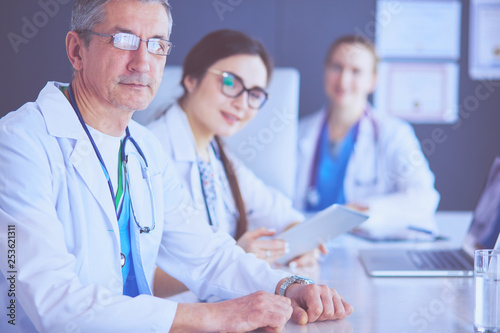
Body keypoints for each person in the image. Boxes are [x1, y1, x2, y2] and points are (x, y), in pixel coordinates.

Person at [0, 1, 352, 332]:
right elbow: (51, 302)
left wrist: (288, 286)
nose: (142, 63)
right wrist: (214, 316)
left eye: (156, 45)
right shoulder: (19, 143)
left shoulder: (144, 148)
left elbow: (209, 255)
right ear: (77, 50)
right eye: (123, 40)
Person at [147, 30, 325, 297]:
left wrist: (302, 244)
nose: (242, 103)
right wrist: (233, 258)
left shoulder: (219, 157)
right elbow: (132, 278)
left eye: (255, 94)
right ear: (191, 78)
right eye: (230, 83)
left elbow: (283, 215)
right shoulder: (148, 152)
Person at [294, 35, 440, 230]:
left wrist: (367, 209)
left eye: (356, 71)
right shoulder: (299, 132)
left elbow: (424, 198)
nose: (344, 80)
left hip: (362, 243)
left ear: (372, 81)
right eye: (337, 67)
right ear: (325, 71)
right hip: (307, 242)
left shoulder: (394, 134)